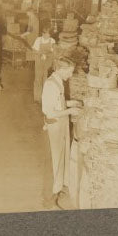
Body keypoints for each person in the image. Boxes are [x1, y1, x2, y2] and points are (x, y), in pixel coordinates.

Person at [41, 57, 80, 206]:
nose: (70, 75)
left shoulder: (59, 82)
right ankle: (48, 200)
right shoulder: (51, 85)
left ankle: (56, 189)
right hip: (54, 126)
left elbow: (58, 104)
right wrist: (70, 110)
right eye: (69, 72)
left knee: (60, 159)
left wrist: (71, 103)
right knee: (53, 163)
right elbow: (50, 112)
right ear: (61, 69)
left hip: (61, 125)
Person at [30, 27, 56, 103]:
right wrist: (41, 54)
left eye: (47, 33)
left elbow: (54, 52)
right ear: (42, 33)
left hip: (48, 63)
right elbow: (34, 50)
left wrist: (49, 57)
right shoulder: (38, 40)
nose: (45, 35)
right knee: (38, 79)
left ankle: (45, 98)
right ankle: (37, 98)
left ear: (50, 34)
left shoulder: (52, 41)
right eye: (44, 33)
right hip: (39, 61)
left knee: (46, 79)